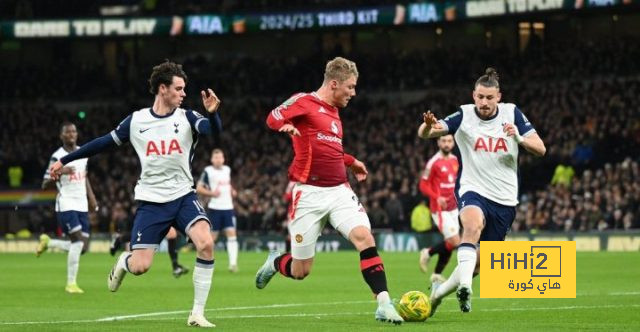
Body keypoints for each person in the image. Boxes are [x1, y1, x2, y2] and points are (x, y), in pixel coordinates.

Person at [48, 60, 222, 327]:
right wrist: (66, 159)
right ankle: (123, 262)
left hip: (184, 196)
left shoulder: (187, 117)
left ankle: (197, 313)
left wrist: (212, 114)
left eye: (184, 89)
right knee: (141, 266)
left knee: (206, 243)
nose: (183, 93)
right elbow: (102, 143)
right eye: (179, 88)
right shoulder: (137, 120)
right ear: (163, 89)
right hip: (151, 202)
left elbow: (214, 134)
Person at [255, 57, 403, 325]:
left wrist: (350, 161)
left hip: (339, 191)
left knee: (364, 237)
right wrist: (283, 125)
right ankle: (277, 262)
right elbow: (272, 117)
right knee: (301, 271)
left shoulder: (335, 112)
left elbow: (328, 148)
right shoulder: (303, 101)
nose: (353, 93)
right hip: (308, 195)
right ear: (334, 84)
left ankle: (383, 303)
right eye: (350, 87)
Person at [418, 67, 546, 315]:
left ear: (499, 96)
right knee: (472, 225)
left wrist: (519, 138)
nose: (484, 102)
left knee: (480, 265)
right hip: (472, 189)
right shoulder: (464, 115)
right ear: (473, 95)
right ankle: (465, 287)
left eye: (489, 97)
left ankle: (439, 293)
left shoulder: (512, 113)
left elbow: (541, 148)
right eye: (479, 97)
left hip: (505, 199)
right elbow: (427, 133)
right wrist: (426, 127)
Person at [37, 122, 98, 294]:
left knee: (83, 248)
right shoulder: (57, 157)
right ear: (61, 136)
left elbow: (84, 177)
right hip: (66, 204)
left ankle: (49, 243)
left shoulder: (83, 153)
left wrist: (92, 197)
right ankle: (71, 284)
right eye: (67, 132)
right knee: (77, 242)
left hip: (82, 204)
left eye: (73, 131)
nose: (71, 134)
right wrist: (60, 172)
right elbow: (44, 185)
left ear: (77, 134)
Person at [417, 134, 461, 284]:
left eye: (449, 141)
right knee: (455, 241)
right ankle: (427, 252)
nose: (447, 144)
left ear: (453, 143)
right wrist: (437, 197)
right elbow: (423, 185)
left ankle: (436, 274)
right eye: (444, 141)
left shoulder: (455, 160)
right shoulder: (433, 163)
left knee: (450, 243)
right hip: (440, 210)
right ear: (438, 143)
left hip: (454, 208)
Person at [196, 148, 239, 273]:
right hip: (215, 208)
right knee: (211, 238)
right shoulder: (208, 171)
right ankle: (207, 262)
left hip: (228, 208)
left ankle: (233, 264)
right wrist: (212, 193)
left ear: (223, 159)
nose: (218, 160)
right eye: (216, 157)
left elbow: (228, 183)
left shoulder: (227, 170)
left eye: (220, 157)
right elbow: (199, 188)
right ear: (212, 160)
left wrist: (232, 191)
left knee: (232, 234)